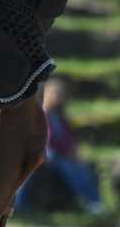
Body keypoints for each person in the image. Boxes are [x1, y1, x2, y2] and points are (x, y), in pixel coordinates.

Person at [16, 79, 102, 213]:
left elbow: (68, 138)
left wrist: (73, 150)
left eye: (60, 95)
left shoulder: (59, 116)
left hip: (57, 154)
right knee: (65, 166)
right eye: (56, 94)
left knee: (80, 168)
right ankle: (18, 205)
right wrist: (66, 152)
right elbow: (45, 139)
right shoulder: (40, 114)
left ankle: (93, 201)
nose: (58, 98)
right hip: (44, 153)